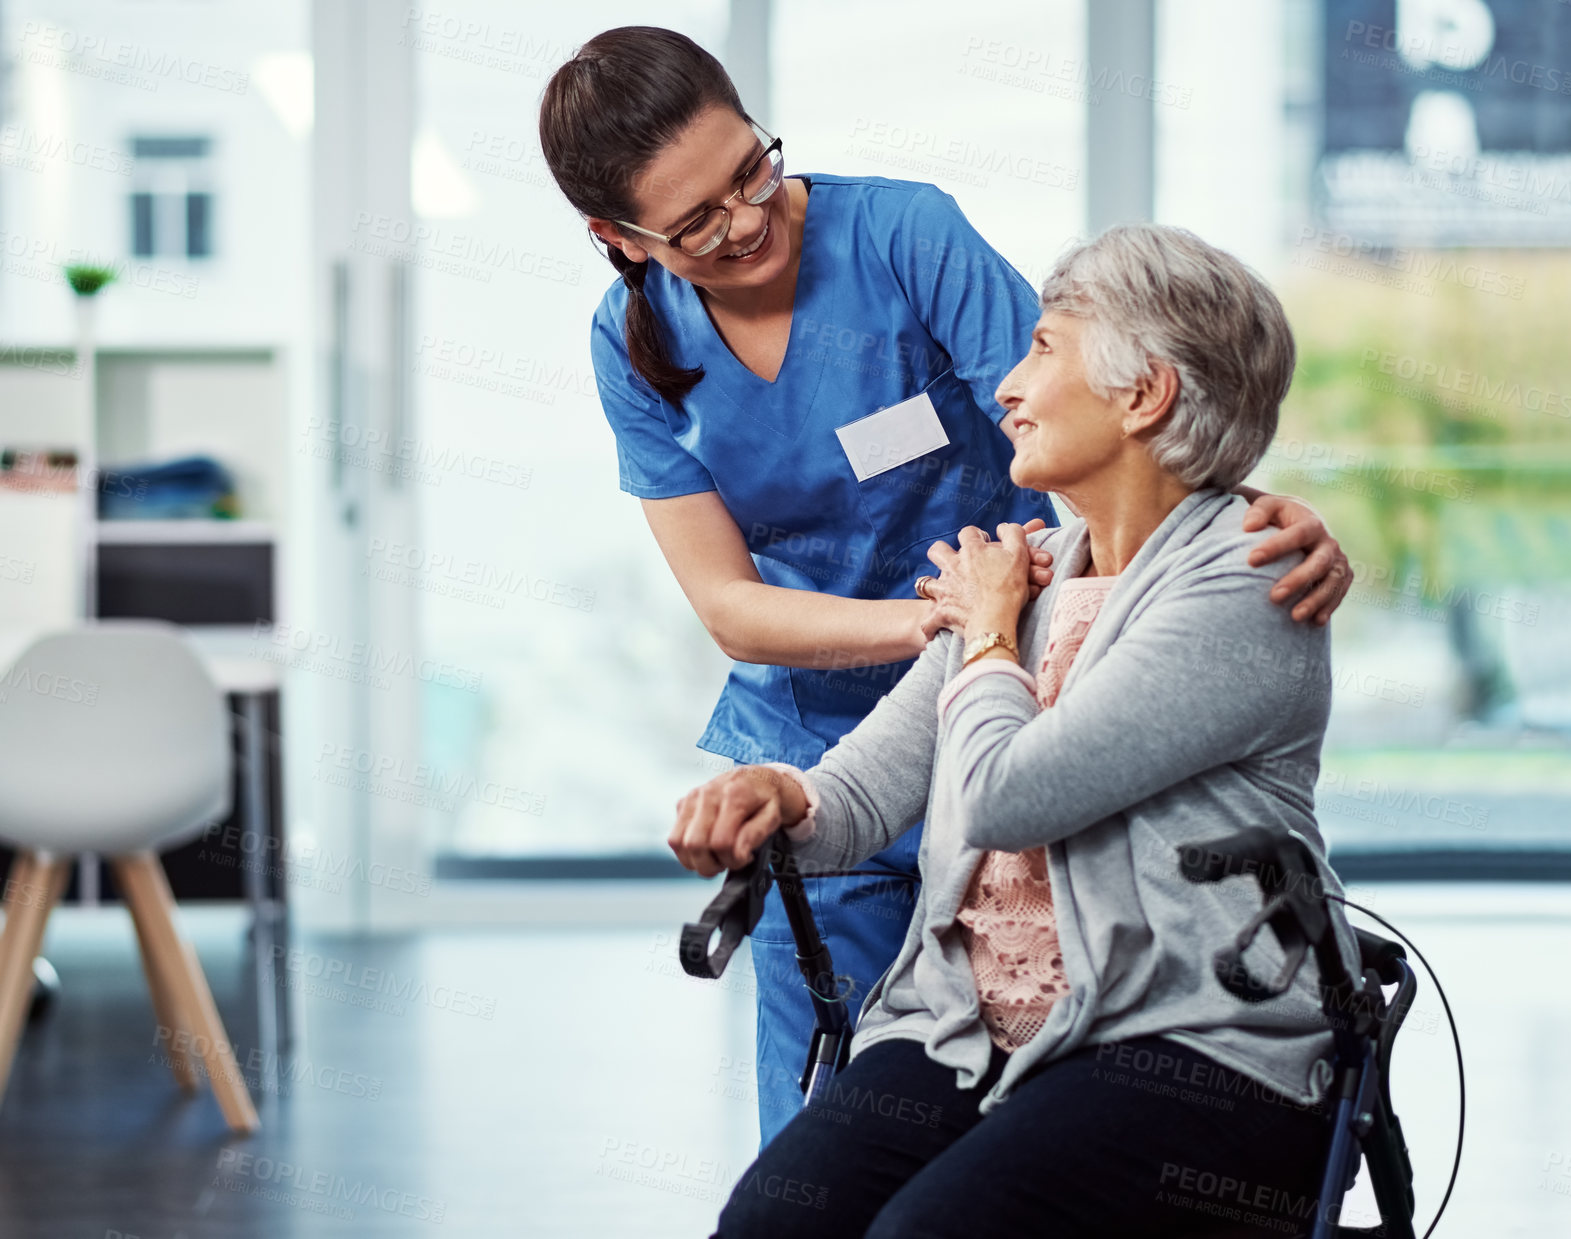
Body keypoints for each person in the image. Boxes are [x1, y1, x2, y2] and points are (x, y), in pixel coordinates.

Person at [539, 26, 1355, 1145]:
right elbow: (731, 608)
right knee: (829, 1130)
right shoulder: (629, 349)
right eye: (695, 225)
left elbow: (1101, 413)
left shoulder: (902, 237)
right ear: (616, 239)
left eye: (754, 171)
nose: (748, 222)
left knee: (1020, 1098)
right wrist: (962, 622)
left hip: (1019, 712)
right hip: (836, 734)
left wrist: (1244, 511)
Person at [671, 223, 1359, 1238]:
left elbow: (1006, 794)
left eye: (1044, 348)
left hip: (1189, 1042)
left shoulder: (1245, 584)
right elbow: (861, 797)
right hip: (965, 1029)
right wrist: (783, 795)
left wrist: (988, 627)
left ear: (1146, 394)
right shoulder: (1027, 568)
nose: (1007, 385)